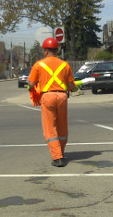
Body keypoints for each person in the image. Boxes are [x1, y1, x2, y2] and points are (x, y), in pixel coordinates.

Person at [28, 37, 77, 167]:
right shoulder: (65, 65)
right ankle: (61, 151)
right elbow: (72, 86)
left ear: (45, 51)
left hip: (48, 97)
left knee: (50, 127)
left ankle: (57, 157)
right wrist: (74, 87)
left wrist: (30, 85)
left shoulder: (38, 65)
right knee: (62, 126)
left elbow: (31, 83)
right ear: (56, 50)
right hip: (62, 97)